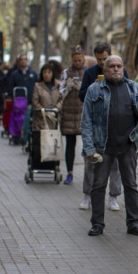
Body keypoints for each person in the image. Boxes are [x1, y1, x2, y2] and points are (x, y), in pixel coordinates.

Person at [80, 55, 138, 237]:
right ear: (104, 69)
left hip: (127, 146)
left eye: (119, 66)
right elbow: (86, 121)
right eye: (112, 66)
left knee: (131, 186)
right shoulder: (94, 90)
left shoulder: (133, 88)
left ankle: (133, 223)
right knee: (98, 186)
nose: (116, 69)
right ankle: (97, 224)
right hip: (103, 148)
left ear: (123, 68)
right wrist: (89, 148)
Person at [78, 42, 124, 212]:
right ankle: (87, 195)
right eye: (99, 59)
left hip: (114, 126)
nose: (101, 62)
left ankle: (113, 197)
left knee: (115, 165)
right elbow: (82, 95)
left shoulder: (119, 71)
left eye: (104, 59)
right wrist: (94, 88)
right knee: (91, 164)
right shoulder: (90, 72)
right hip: (96, 126)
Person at [59, 46, 87, 186]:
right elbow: (61, 93)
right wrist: (69, 88)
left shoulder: (88, 72)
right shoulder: (66, 72)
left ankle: (88, 173)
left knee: (86, 145)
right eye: (75, 61)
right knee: (70, 145)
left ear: (83, 59)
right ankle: (69, 173)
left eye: (79, 60)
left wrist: (82, 88)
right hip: (69, 114)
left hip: (84, 114)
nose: (77, 63)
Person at [8, 54, 39, 145]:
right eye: (21, 60)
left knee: (28, 122)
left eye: (25, 59)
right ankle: (18, 136)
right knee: (18, 120)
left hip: (30, 102)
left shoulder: (33, 73)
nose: (23, 61)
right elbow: (10, 87)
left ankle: (26, 138)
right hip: (19, 104)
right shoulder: (14, 74)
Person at [31, 63, 62, 130]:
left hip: (55, 119)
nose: (47, 75)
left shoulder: (58, 85)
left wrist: (57, 108)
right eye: (44, 72)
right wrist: (45, 112)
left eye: (49, 72)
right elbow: (35, 101)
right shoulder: (38, 86)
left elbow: (62, 99)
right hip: (41, 120)